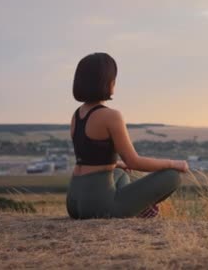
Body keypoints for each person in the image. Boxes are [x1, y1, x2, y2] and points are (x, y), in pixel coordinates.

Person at [66, 52, 188, 219]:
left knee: (122, 173)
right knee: (172, 177)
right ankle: (140, 208)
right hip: (98, 206)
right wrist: (174, 163)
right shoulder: (111, 116)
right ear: (109, 81)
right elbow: (134, 161)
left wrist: (116, 164)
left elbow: (88, 157)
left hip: (74, 200)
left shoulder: (77, 115)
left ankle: (137, 207)